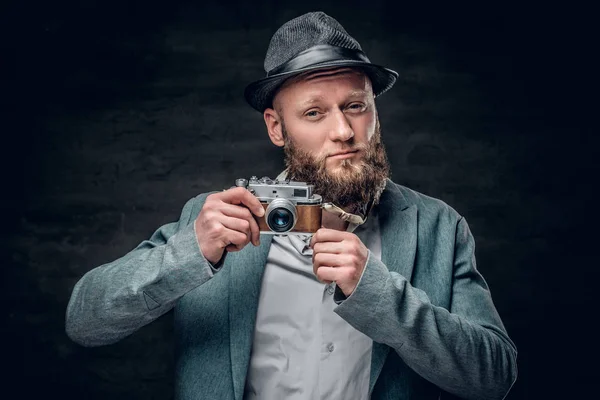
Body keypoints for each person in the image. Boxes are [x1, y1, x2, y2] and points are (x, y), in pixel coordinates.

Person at [65, 11, 517, 400]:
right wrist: (189, 252)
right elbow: (85, 321)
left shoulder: (438, 227)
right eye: (314, 113)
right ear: (276, 129)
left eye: (355, 105)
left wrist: (377, 293)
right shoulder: (215, 220)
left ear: (375, 111)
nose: (343, 131)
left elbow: (494, 377)